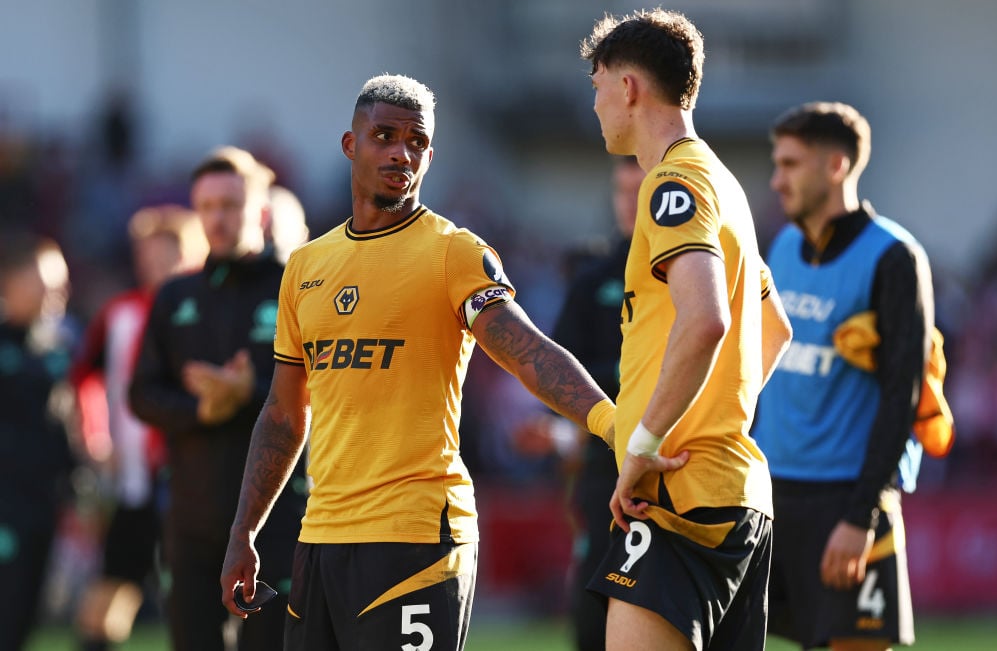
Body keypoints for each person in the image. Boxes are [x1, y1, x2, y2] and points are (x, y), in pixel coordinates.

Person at [218, 74, 616, 651]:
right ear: (351, 145)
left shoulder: (454, 252)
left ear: (430, 154)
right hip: (321, 537)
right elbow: (284, 415)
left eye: (416, 141)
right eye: (383, 135)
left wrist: (611, 424)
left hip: (417, 537)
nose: (401, 152)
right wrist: (244, 531)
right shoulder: (305, 267)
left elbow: (527, 352)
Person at [579, 8, 793, 650]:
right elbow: (775, 330)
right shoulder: (723, 183)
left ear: (628, 87)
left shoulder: (671, 180)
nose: (594, 106)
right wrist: (718, 419)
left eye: (596, 86)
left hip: (677, 493)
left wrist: (645, 442)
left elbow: (706, 320)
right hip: (734, 492)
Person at [753, 102, 933, 650]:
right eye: (777, 164)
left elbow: (903, 396)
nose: (777, 180)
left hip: (846, 503)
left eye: (791, 165)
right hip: (768, 491)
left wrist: (862, 515)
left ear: (835, 166)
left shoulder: (894, 257)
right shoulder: (781, 247)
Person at [129, 147, 308, 651]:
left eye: (230, 204)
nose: (217, 218)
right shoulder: (174, 296)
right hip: (192, 519)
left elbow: (325, 393)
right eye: (206, 207)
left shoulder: (296, 287)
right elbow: (141, 394)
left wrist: (247, 393)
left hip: (277, 518)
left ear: (262, 212)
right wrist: (202, 409)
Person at [514, 156, 643, 651]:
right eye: (621, 192)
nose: (629, 205)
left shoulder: (693, 271)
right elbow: (559, 381)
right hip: (603, 474)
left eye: (640, 193)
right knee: (593, 623)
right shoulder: (592, 281)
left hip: (678, 472)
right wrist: (560, 432)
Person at [72, 204, 207, 650]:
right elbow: (82, 379)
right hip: (133, 475)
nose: (153, 264)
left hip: (195, 471)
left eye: (166, 254)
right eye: (146, 254)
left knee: (198, 586)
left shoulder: (206, 308)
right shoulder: (120, 313)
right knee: (116, 578)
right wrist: (96, 437)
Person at [0, 231, 78, 651]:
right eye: (46, 280)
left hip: (42, 506)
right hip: (5, 509)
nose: (58, 292)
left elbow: (61, 422)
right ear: (11, 281)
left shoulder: (58, 346)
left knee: (26, 620)